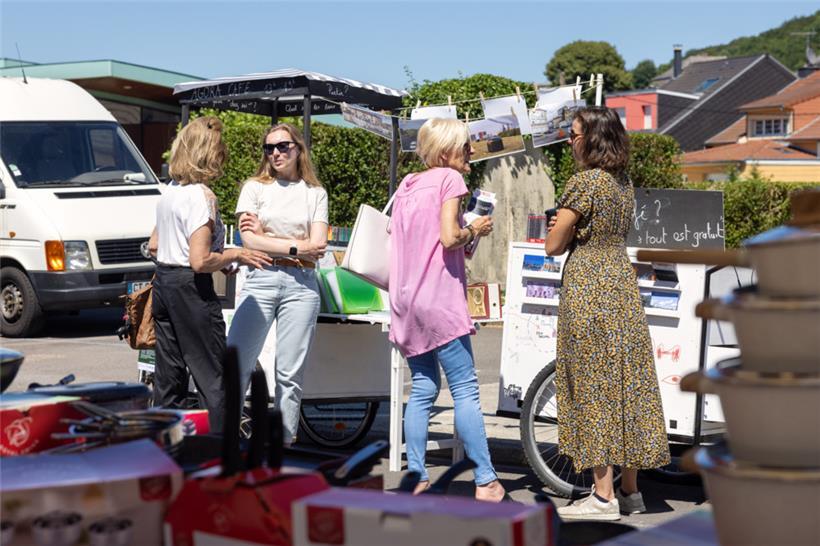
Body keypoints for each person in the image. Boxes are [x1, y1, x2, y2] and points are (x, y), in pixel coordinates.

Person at [546, 107, 670, 520]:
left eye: (574, 133)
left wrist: (556, 226)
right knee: (626, 383)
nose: (569, 140)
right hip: (621, 283)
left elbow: (554, 245)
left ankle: (602, 497)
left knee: (593, 384)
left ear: (592, 139)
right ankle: (631, 492)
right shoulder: (623, 184)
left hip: (589, 288)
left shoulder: (585, 183)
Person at [389, 118, 505, 502]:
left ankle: (418, 476)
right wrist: (477, 230)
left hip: (406, 299)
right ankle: (486, 480)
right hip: (439, 298)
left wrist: (463, 237)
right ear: (446, 152)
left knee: (422, 387)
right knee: (466, 389)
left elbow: (419, 240)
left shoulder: (408, 184)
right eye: (465, 145)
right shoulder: (450, 181)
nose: (472, 150)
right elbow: (448, 236)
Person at [149, 116, 272, 434]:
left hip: (164, 284)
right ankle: (221, 450)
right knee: (215, 376)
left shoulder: (170, 192)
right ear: (209, 155)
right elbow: (199, 260)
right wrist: (237, 254)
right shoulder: (203, 197)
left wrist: (216, 259)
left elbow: (154, 245)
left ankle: (168, 448)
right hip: (191, 290)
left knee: (169, 375)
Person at [226, 123, 328, 446]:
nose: (275, 153)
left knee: (289, 374)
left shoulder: (315, 193)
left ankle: (283, 444)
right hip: (262, 278)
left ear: (298, 148)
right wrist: (296, 246)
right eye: (269, 148)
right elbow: (250, 240)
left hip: (302, 285)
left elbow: (319, 245)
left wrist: (268, 236)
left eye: (283, 146)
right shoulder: (254, 188)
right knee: (237, 361)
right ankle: (225, 438)